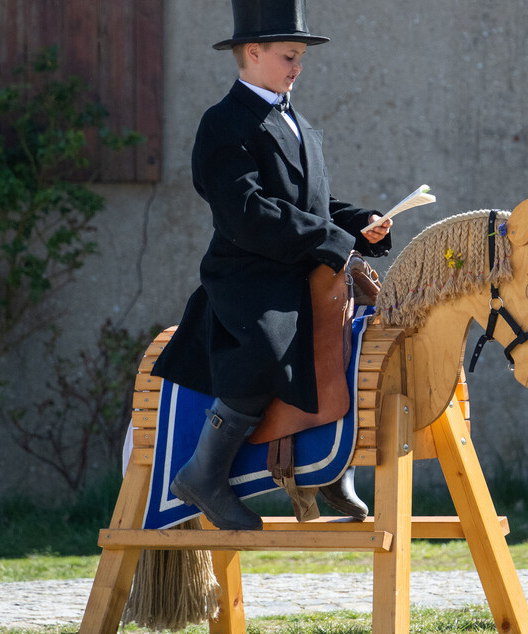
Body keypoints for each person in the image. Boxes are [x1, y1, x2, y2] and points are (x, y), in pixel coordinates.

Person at [152, 0, 392, 531]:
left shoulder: (303, 124)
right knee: (268, 347)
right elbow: (246, 213)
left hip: (302, 270)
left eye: (301, 55)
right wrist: (331, 238)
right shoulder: (223, 124)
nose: (297, 66)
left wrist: (361, 222)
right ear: (253, 53)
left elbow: (313, 206)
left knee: (352, 342)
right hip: (247, 278)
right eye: (289, 55)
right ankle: (205, 473)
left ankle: (329, 462)